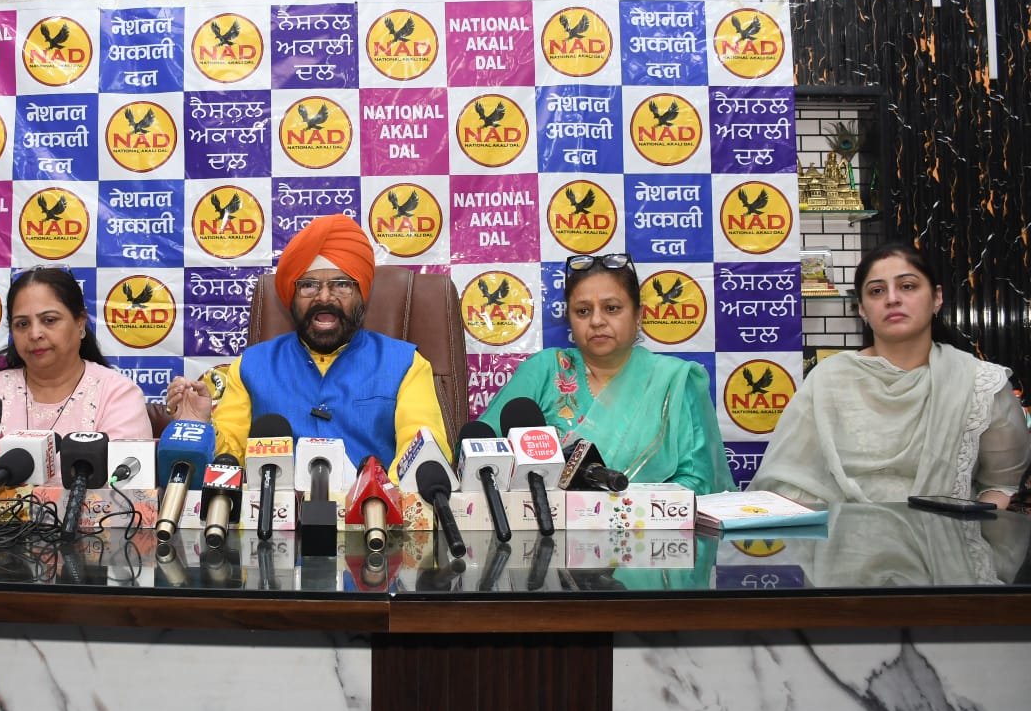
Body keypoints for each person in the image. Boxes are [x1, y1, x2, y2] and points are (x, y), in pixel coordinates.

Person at [750, 242, 1030, 508]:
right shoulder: (828, 379)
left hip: (947, 539)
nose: (892, 299)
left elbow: (1002, 485)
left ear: (937, 298)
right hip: (841, 538)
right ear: (862, 308)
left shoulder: (979, 384)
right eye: (876, 291)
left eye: (907, 286)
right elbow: (787, 481)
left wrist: (961, 532)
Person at [165, 214, 451, 470]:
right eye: (309, 285)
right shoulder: (251, 366)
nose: (324, 297)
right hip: (273, 509)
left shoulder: (406, 365)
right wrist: (198, 427)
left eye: (342, 284)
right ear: (292, 296)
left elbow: (422, 456)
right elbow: (229, 460)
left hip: (374, 510)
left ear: (361, 295)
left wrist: (378, 500)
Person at [477, 253, 733, 495]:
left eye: (611, 308)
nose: (597, 321)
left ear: (638, 316)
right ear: (569, 319)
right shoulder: (544, 370)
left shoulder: (672, 381)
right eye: (583, 311)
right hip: (546, 521)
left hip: (648, 524)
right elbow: (480, 453)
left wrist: (621, 508)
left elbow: (698, 481)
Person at [0, 267, 151, 467]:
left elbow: (125, 481)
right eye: (22, 324)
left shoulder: (117, 394)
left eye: (49, 320)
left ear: (80, 323)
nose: (34, 334)